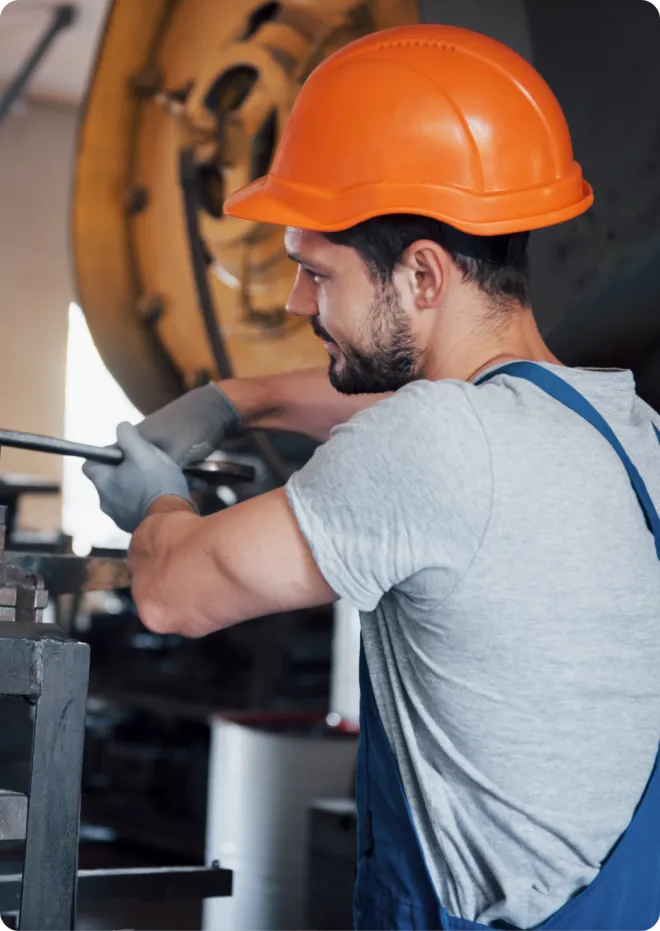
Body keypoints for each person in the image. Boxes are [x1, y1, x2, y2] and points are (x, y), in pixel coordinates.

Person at [82, 24, 660, 931]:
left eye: (317, 272)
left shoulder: (436, 445)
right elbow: (422, 423)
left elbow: (170, 593)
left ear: (424, 275)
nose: (296, 302)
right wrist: (235, 401)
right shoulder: (613, 424)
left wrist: (152, 494)